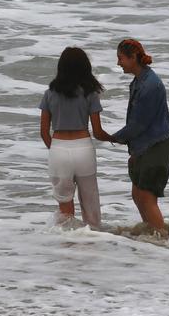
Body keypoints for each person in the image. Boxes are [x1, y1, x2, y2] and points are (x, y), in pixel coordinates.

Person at [38, 46, 114, 228]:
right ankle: (93, 246)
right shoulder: (90, 93)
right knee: (91, 206)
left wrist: (57, 148)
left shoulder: (49, 94)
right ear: (84, 67)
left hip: (59, 149)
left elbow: (43, 131)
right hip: (83, 149)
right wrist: (117, 139)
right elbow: (97, 131)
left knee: (65, 210)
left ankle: (69, 249)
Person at [105, 38, 169, 234]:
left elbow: (139, 124)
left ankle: (161, 238)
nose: (118, 63)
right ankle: (153, 235)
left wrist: (113, 137)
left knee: (146, 198)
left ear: (133, 57)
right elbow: (137, 124)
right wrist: (134, 151)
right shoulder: (139, 81)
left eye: (120, 58)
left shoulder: (149, 86)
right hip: (147, 147)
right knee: (138, 195)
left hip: (157, 146)